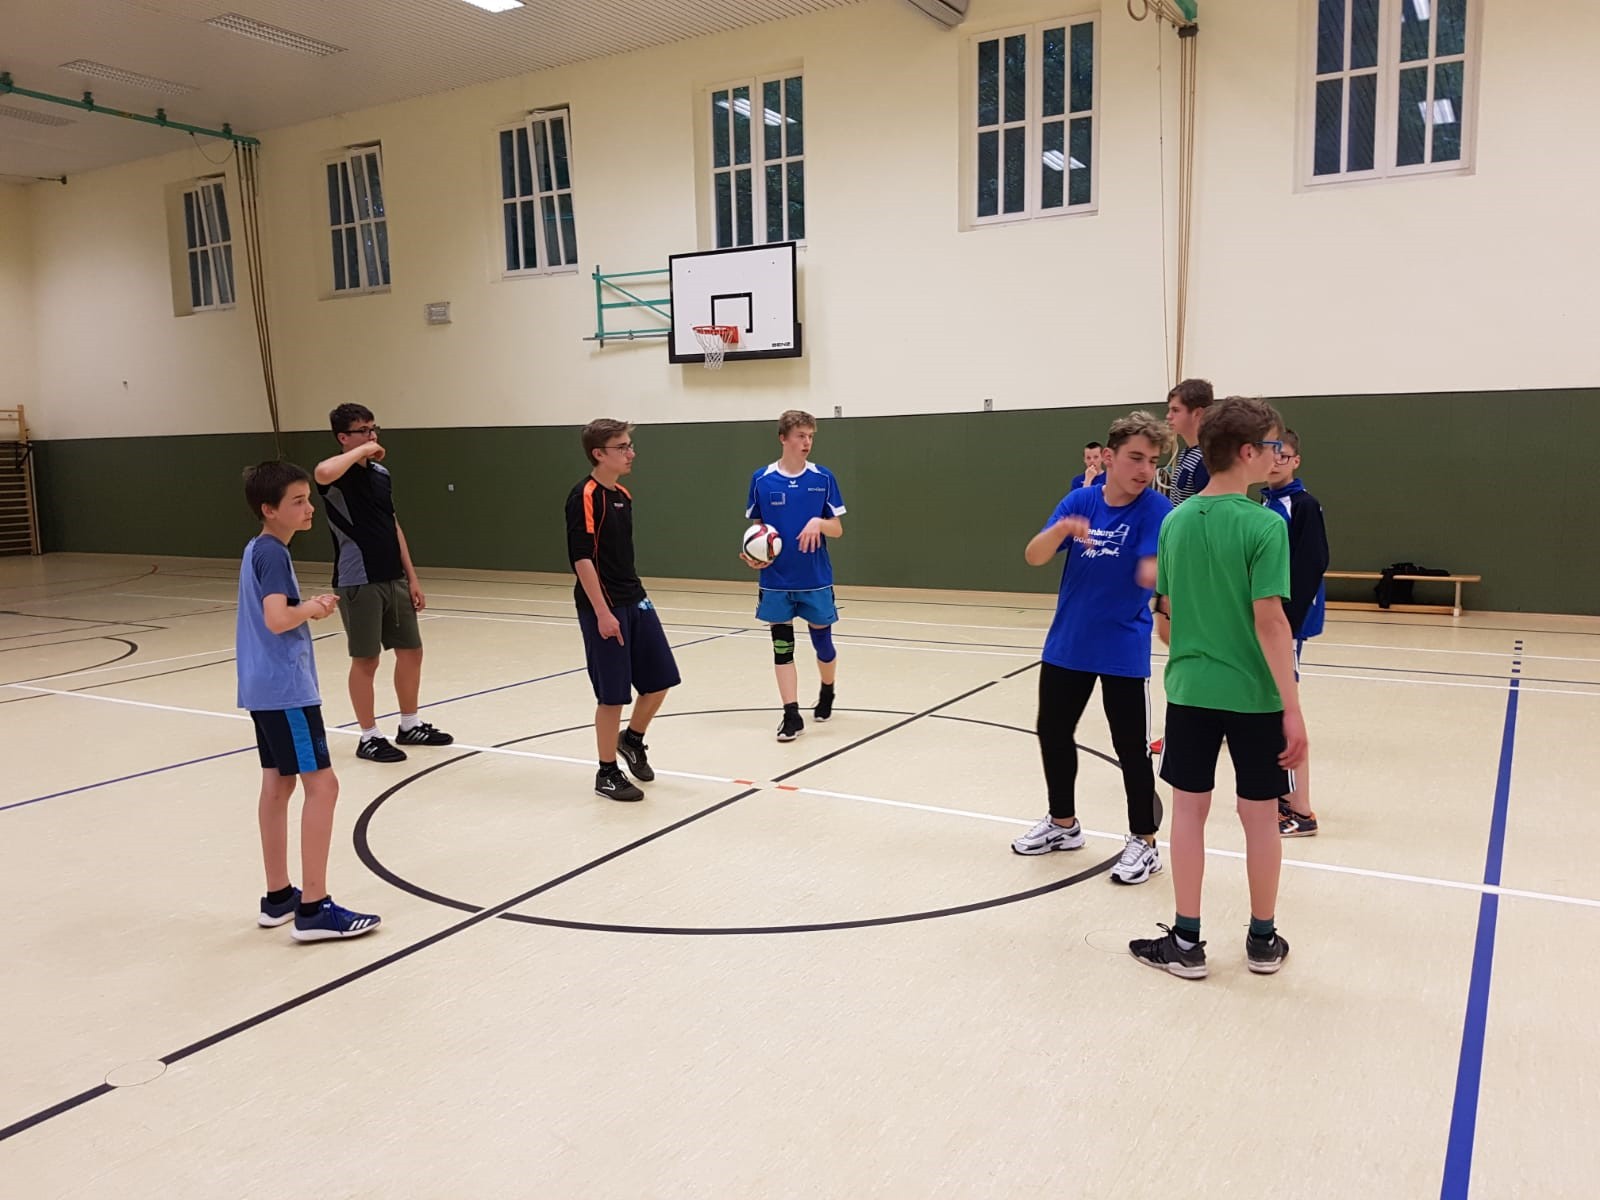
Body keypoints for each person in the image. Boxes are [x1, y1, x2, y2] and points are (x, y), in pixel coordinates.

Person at [1131, 396, 1307, 980]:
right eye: (1273, 445)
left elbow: (1167, 614)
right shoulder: (1265, 524)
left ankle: (1186, 942)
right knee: (1259, 817)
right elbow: (1271, 621)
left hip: (1191, 692)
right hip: (1255, 696)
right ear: (1249, 452)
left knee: (1189, 812)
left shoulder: (1176, 521)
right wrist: (1292, 709)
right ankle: (1262, 940)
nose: (1278, 455)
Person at [1012, 412, 1174, 884]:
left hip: (1122, 646)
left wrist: (1156, 574)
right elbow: (1034, 556)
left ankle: (1144, 841)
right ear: (1108, 457)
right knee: (1053, 731)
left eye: (1153, 461)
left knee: (1130, 747)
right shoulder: (1081, 500)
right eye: (1135, 458)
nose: (1145, 470)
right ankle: (1063, 824)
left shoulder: (1156, 509)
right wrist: (1061, 530)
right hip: (1068, 642)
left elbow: (1152, 569)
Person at [238, 461, 381, 941]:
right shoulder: (273, 553)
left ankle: (279, 896)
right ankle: (314, 907)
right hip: (285, 690)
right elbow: (278, 618)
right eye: (297, 501)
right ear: (269, 509)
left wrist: (306, 606)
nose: (308, 508)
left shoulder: (257, 549)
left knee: (278, 786)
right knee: (324, 787)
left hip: (261, 687)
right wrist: (314, 609)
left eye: (307, 499)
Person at [314, 404, 453, 764]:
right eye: (362, 430)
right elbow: (322, 471)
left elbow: (393, 524)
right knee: (366, 659)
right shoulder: (335, 478)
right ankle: (369, 736)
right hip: (358, 579)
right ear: (343, 437)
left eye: (373, 428)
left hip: (393, 577)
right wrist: (361, 451)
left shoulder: (380, 475)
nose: (372, 435)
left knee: (411, 651)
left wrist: (412, 577)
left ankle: (410, 724)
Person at [566, 419, 681, 801]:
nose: (631, 453)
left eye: (630, 445)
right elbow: (582, 558)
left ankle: (631, 739)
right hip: (604, 606)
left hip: (635, 598)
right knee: (613, 696)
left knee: (661, 679)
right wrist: (602, 612)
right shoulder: (584, 495)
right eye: (623, 447)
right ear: (599, 453)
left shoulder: (623, 495)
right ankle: (606, 773)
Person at [741, 409, 847, 743]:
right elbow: (758, 530)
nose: (807, 442)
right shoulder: (762, 479)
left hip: (815, 579)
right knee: (782, 648)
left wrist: (819, 523)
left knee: (823, 645)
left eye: (811, 436)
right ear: (783, 438)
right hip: (776, 581)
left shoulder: (823, 478)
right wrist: (754, 556)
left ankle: (827, 689)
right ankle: (791, 714)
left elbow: (838, 529)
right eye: (801, 436)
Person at [1262, 428, 1329, 838]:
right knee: (1272, 707)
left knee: (1287, 707)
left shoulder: (1303, 505)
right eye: (1270, 454)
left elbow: (1311, 564)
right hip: (1267, 622)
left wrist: (1286, 622)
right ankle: (1283, 796)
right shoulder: (1264, 503)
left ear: (1296, 461)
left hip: (1287, 623)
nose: (1275, 462)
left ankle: (1301, 809)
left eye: (1283, 456)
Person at [1164, 378, 1215, 504]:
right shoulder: (1185, 453)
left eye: (1175, 410)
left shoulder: (1207, 459)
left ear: (1197, 413)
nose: (1168, 416)